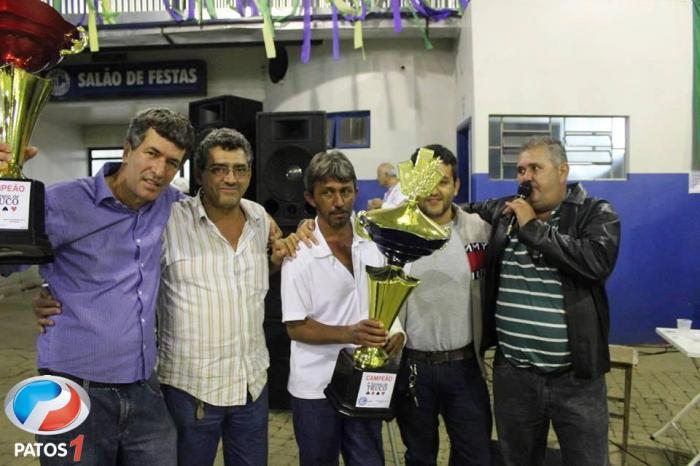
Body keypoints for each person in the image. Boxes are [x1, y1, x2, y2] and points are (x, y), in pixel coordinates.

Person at [1, 108, 195, 465]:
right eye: (152, 154)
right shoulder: (61, 204)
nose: (159, 171)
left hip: (145, 391)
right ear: (127, 149)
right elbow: (6, 261)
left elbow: (217, 214)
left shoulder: (170, 205)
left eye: (172, 162)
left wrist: (275, 230)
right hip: (71, 392)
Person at [463, 136, 621, 466]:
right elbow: (463, 211)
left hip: (575, 380)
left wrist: (532, 227)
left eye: (536, 167)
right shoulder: (507, 213)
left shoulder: (595, 214)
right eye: (520, 170)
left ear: (562, 171)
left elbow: (595, 263)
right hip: (515, 378)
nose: (525, 177)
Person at [155, 128, 297, 465]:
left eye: (240, 169)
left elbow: (254, 275)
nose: (231, 178)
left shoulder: (260, 219)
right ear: (201, 173)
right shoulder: (169, 221)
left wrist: (275, 260)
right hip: (190, 390)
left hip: (251, 385)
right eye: (219, 169)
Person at [280, 150, 404, 466]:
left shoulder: (374, 240)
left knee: (368, 460)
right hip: (316, 387)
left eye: (345, 191)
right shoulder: (299, 254)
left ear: (356, 192)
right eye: (328, 192)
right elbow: (295, 327)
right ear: (311, 197)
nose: (339, 201)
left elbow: (384, 297)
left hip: (366, 380)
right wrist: (349, 332)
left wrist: (396, 333)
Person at [394, 145, 492, 466]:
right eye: (425, 182)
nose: (434, 192)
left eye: (443, 182)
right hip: (413, 369)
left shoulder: (478, 230)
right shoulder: (393, 234)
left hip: (465, 368)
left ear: (456, 186)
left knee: (475, 455)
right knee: (420, 457)